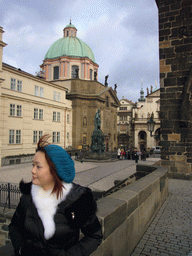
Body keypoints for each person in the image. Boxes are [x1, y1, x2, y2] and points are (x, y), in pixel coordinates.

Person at [8, 134, 102, 256]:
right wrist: (21, 249)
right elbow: (15, 226)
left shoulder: (78, 199)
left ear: (55, 171)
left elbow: (95, 236)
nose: (33, 170)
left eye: (38, 166)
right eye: (33, 165)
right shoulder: (28, 195)